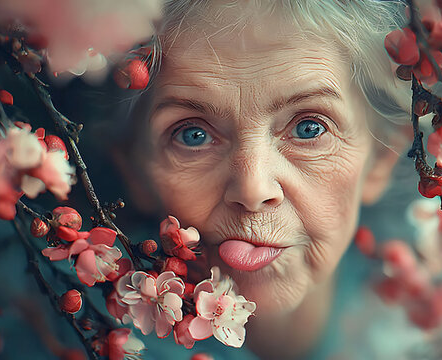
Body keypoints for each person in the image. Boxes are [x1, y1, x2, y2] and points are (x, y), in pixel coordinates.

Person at [106, 0, 413, 358]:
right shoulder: (68, 332)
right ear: (136, 171)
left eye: (309, 128)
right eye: (192, 135)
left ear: (380, 159)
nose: (253, 189)